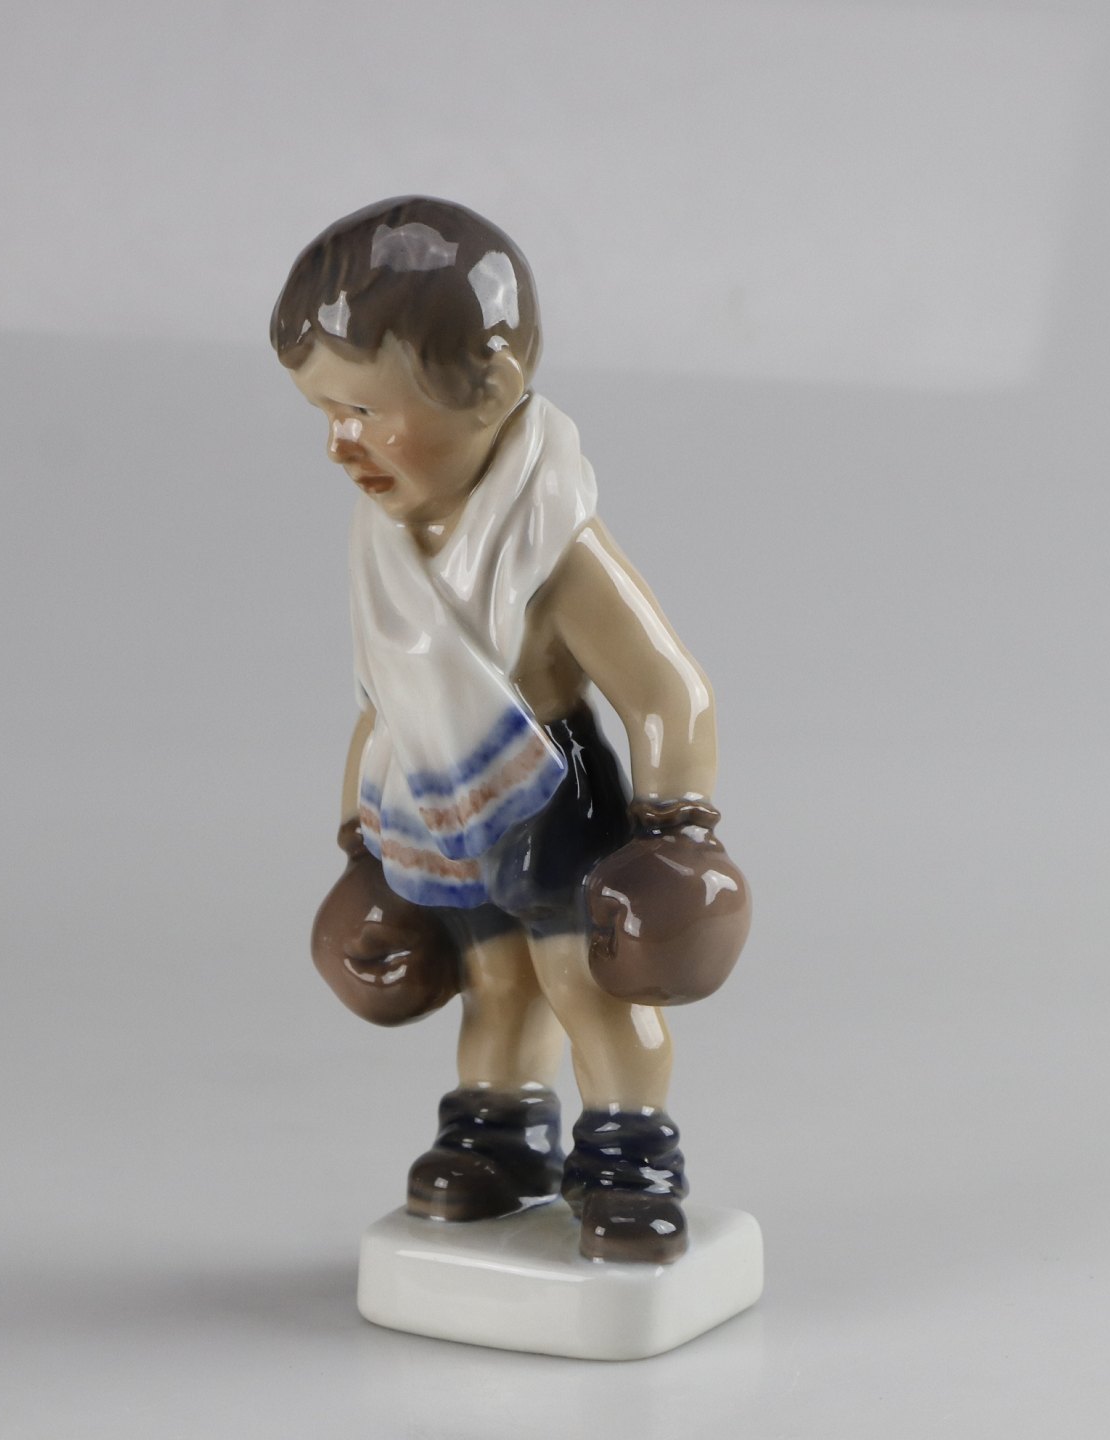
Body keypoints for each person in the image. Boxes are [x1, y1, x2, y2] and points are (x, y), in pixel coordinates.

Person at [270, 197, 749, 1264]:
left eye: (365, 411)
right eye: (323, 414)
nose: (340, 446)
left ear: (488, 388)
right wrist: (359, 845)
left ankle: (629, 1155)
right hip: (435, 801)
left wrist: (677, 832)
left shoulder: (553, 545)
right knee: (495, 984)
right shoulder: (387, 544)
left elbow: (669, 690)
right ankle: (499, 1134)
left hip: (552, 795)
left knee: (584, 984)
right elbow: (384, 701)